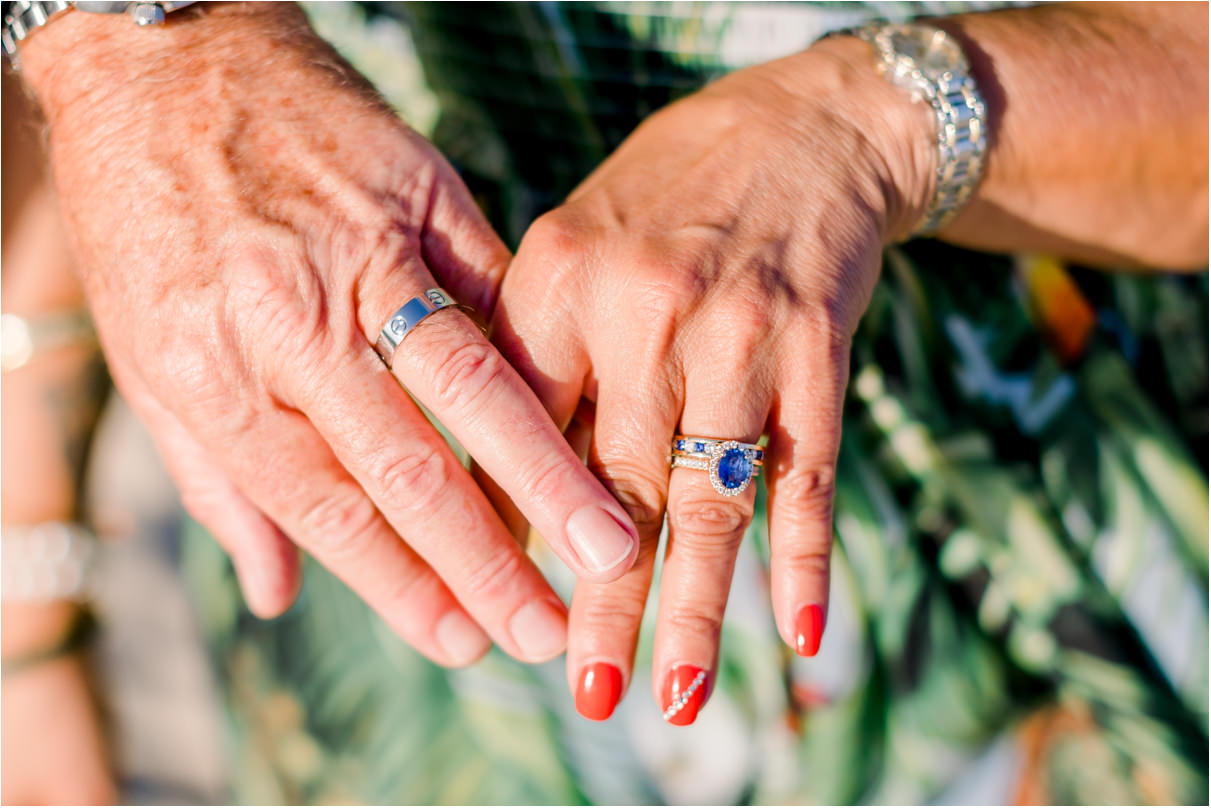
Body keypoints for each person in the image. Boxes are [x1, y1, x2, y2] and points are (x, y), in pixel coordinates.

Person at [2, 0, 1206, 803]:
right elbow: (135, 124)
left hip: (1062, 558)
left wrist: (863, 127)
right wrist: (21, 558)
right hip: (418, 657)